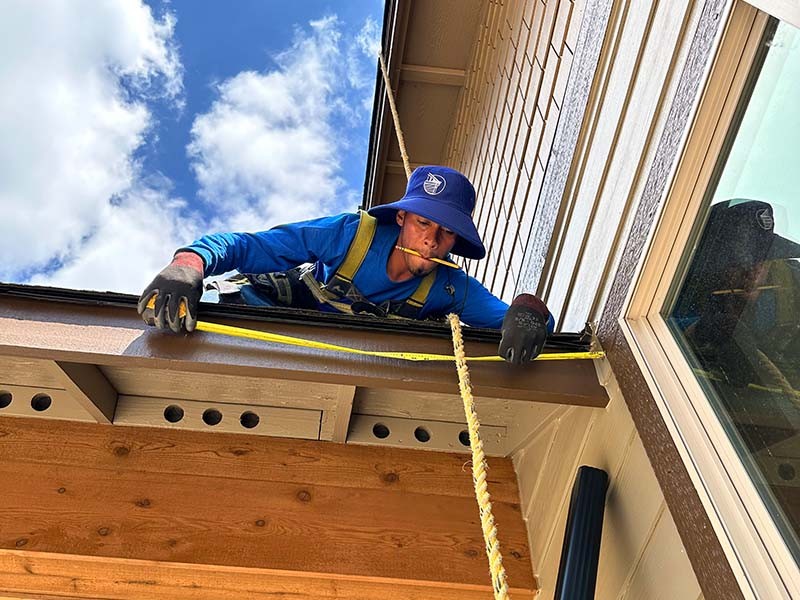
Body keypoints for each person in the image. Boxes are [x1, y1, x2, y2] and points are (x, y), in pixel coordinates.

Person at [138, 165, 555, 364]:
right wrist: (187, 263)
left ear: (455, 243)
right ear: (402, 218)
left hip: (363, 357)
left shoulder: (451, 288)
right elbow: (246, 246)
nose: (430, 240)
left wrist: (531, 309)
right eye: (424, 223)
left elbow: (516, 321)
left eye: (445, 234)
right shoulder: (349, 234)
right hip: (279, 317)